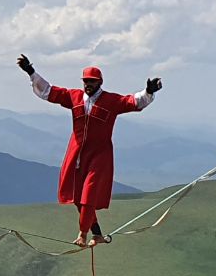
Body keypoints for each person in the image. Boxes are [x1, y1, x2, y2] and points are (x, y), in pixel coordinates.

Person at [16, 54, 162, 247]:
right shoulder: (73, 97)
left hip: (99, 156)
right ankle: (97, 234)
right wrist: (31, 72)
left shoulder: (111, 101)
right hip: (76, 154)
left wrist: (148, 91)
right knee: (78, 198)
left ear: (99, 82)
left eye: (92, 82)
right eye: (86, 81)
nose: (88, 84)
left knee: (88, 196)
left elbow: (133, 102)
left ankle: (82, 235)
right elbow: (49, 91)